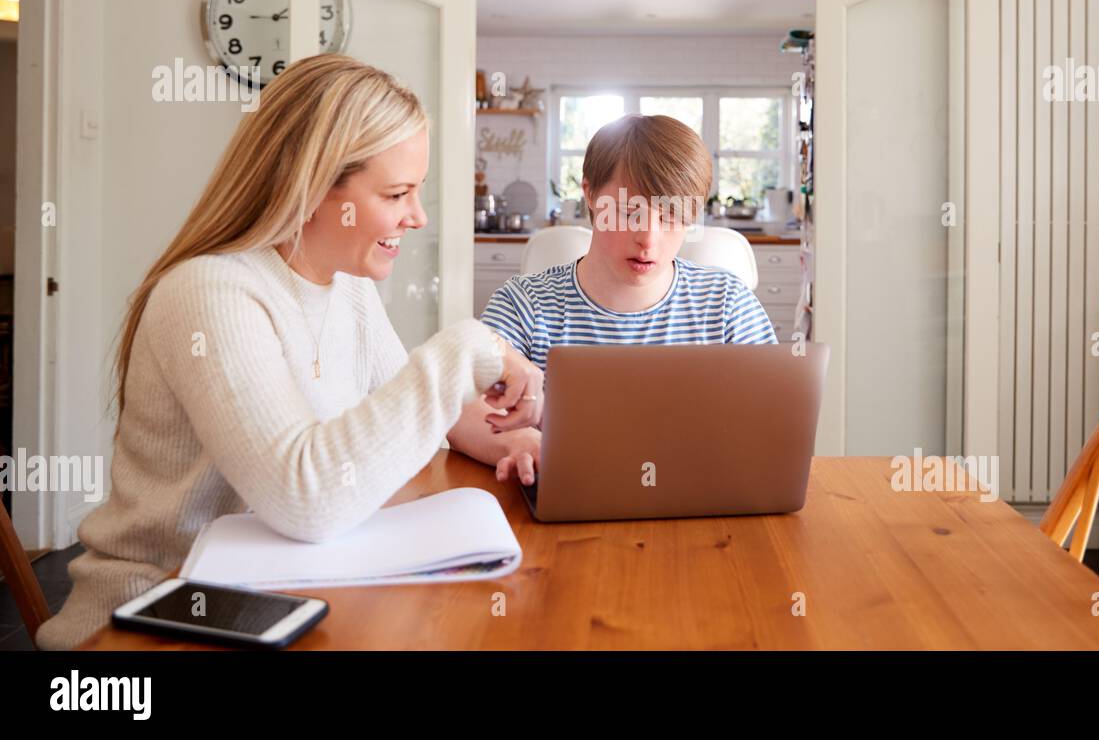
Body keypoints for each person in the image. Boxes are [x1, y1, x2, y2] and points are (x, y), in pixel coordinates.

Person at [35, 54, 544, 650]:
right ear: (309, 186)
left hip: (281, 595)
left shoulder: (347, 286)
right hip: (156, 618)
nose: (417, 216)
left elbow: (426, 415)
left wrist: (514, 438)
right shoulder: (211, 292)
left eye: (418, 191)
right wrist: (465, 347)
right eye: (398, 193)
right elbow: (306, 497)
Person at [466, 115, 776, 471]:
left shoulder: (727, 304)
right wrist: (517, 441)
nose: (649, 239)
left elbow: (775, 415)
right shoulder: (525, 305)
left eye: (672, 217)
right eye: (629, 213)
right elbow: (460, 407)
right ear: (591, 196)